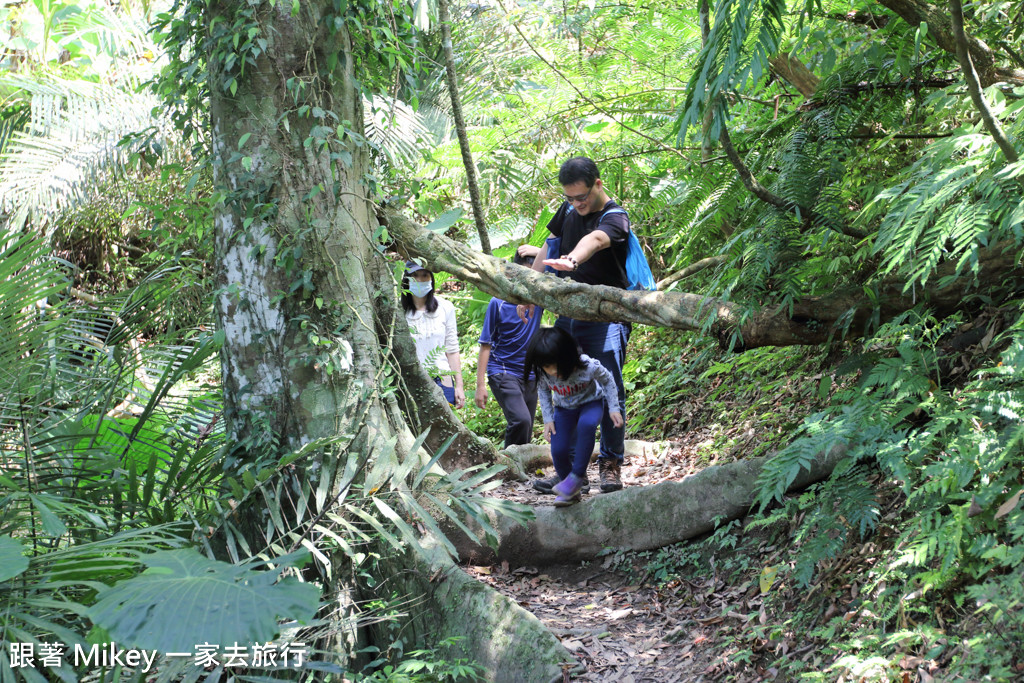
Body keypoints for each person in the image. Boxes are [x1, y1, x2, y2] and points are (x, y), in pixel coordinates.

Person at [518, 156, 631, 493]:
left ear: (598, 184)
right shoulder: (568, 210)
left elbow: (594, 240)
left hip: (607, 315)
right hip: (568, 311)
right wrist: (530, 290)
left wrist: (572, 260)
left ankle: (610, 465)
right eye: (570, 198)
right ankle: (569, 471)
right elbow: (549, 246)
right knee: (561, 383)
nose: (577, 204)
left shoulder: (616, 217)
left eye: (582, 197)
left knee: (608, 384)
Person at [524, 327, 623, 507]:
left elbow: (608, 380)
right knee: (559, 449)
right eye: (547, 367)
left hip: (590, 403)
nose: (553, 371)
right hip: (564, 409)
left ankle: (577, 477)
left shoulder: (587, 365)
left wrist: (613, 408)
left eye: (557, 365)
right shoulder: (544, 373)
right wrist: (548, 419)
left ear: (568, 356)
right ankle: (571, 491)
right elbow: (544, 391)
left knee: (587, 424)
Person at [475, 252, 542, 447]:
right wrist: (480, 386)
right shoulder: (498, 303)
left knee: (526, 429)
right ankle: (508, 466)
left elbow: (557, 267)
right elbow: (486, 344)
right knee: (521, 420)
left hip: (530, 373)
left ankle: (520, 473)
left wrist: (537, 251)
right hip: (503, 370)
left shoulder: (539, 301)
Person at [402, 261, 465, 408]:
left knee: (447, 427)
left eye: (424, 275)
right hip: (413, 379)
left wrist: (459, 386)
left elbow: (452, 348)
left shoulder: (445, 307)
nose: (420, 280)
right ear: (407, 280)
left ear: (431, 278)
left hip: (442, 378)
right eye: (414, 276)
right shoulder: (399, 312)